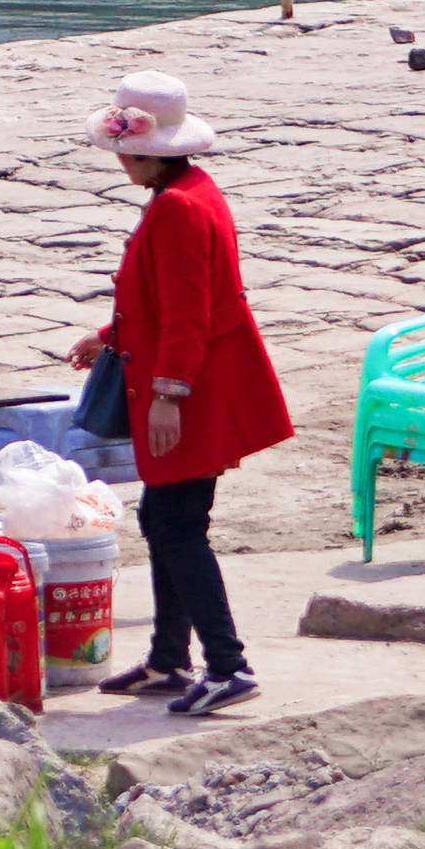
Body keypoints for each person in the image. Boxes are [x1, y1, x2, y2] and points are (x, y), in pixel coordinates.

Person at [70, 70, 294, 717]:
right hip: (204, 376)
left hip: (188, 387)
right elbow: (168, 295)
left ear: (139, 149)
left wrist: (168, 392)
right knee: (165, 519)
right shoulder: (195, 189)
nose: (116, 158)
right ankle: (170, 657)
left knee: (176, 524)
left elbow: (187, 311)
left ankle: (226, 663)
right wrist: (109, 333)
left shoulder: (173, 207)